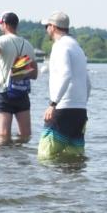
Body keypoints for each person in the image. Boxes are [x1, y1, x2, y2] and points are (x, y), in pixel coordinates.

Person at [38, 11, 91, 160]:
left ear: (53, 27)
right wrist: (81, 103)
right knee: (75, 160)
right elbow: (88, 83)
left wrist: (53, 103)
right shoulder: (77, 47)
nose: (46, 30)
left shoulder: (60, 46)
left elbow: (66, 74)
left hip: (63, 109)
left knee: (45, 157)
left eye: (47, 26)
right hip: (80, 111)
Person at [0, 12, 38, 141]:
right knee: (25, 135)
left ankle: (5, 155)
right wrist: (20, 72)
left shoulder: (1, 41)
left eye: (0, 23)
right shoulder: (27, 44)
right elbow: (35, 74)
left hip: (4, 93)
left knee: (3, 136)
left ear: (6, 24)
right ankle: (20, 154)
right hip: (22, 93)